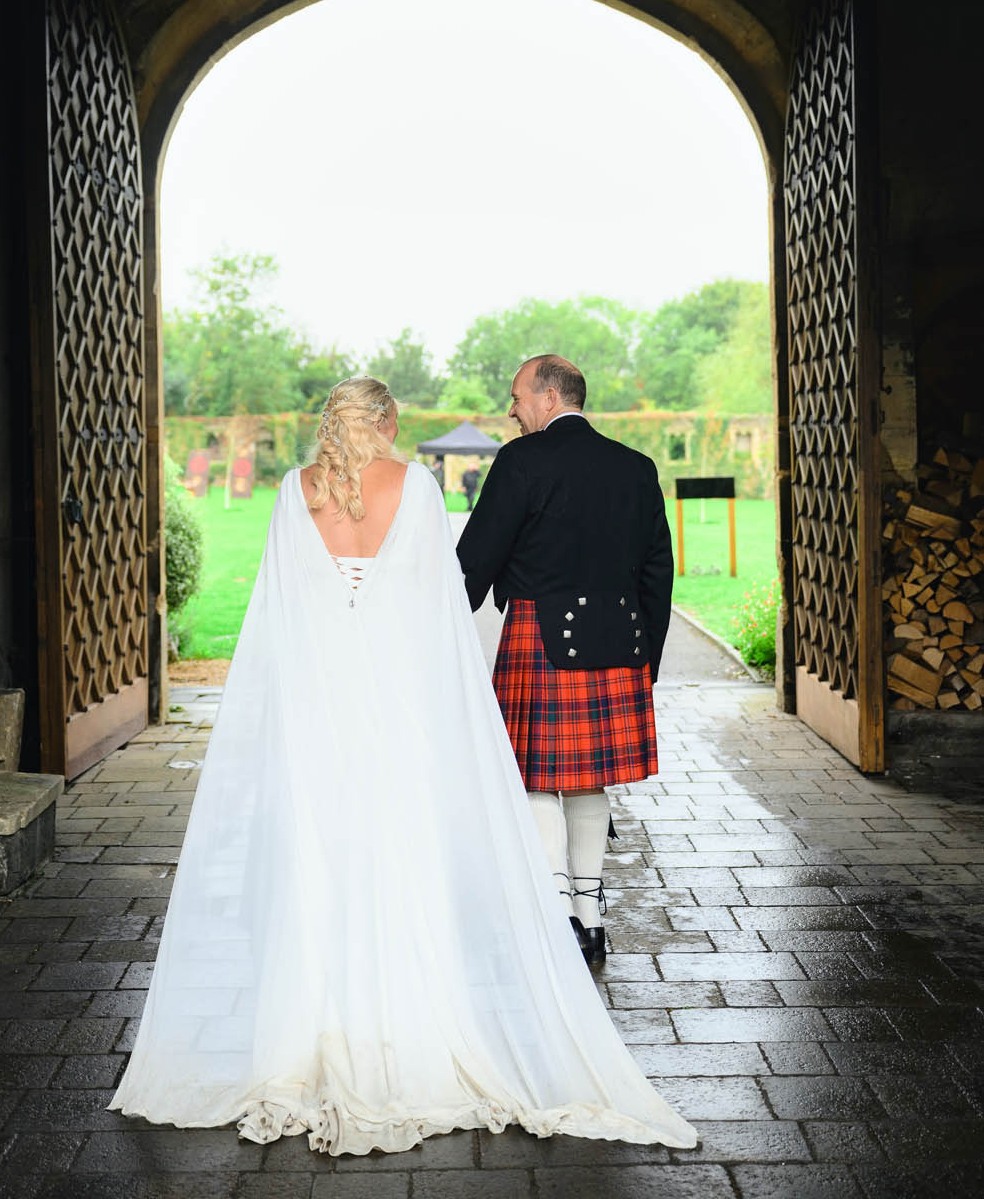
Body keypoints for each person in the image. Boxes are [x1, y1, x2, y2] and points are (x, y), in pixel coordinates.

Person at [108, 377, 695, 1157]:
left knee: (319, 852)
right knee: (399, 846)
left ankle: (308, 1028)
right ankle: (416, 1015)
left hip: (319, 703)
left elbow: (279, 609)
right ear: (385, 422)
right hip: (394, 700)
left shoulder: (296, 489)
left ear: (331, 422)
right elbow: (438, 605)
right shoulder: (415, 485)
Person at [456, 355, 673, 964]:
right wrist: (645, 657)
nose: (511, 408)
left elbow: (477, 558)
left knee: (535, 777)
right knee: (587, 781)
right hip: (620, 642)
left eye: (517, 396)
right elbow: (659, 569)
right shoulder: (636, 467)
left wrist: (441, 618)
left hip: (541, 638)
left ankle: (556, 916)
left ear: (549, 397)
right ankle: (591, 915)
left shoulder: (521, 460)